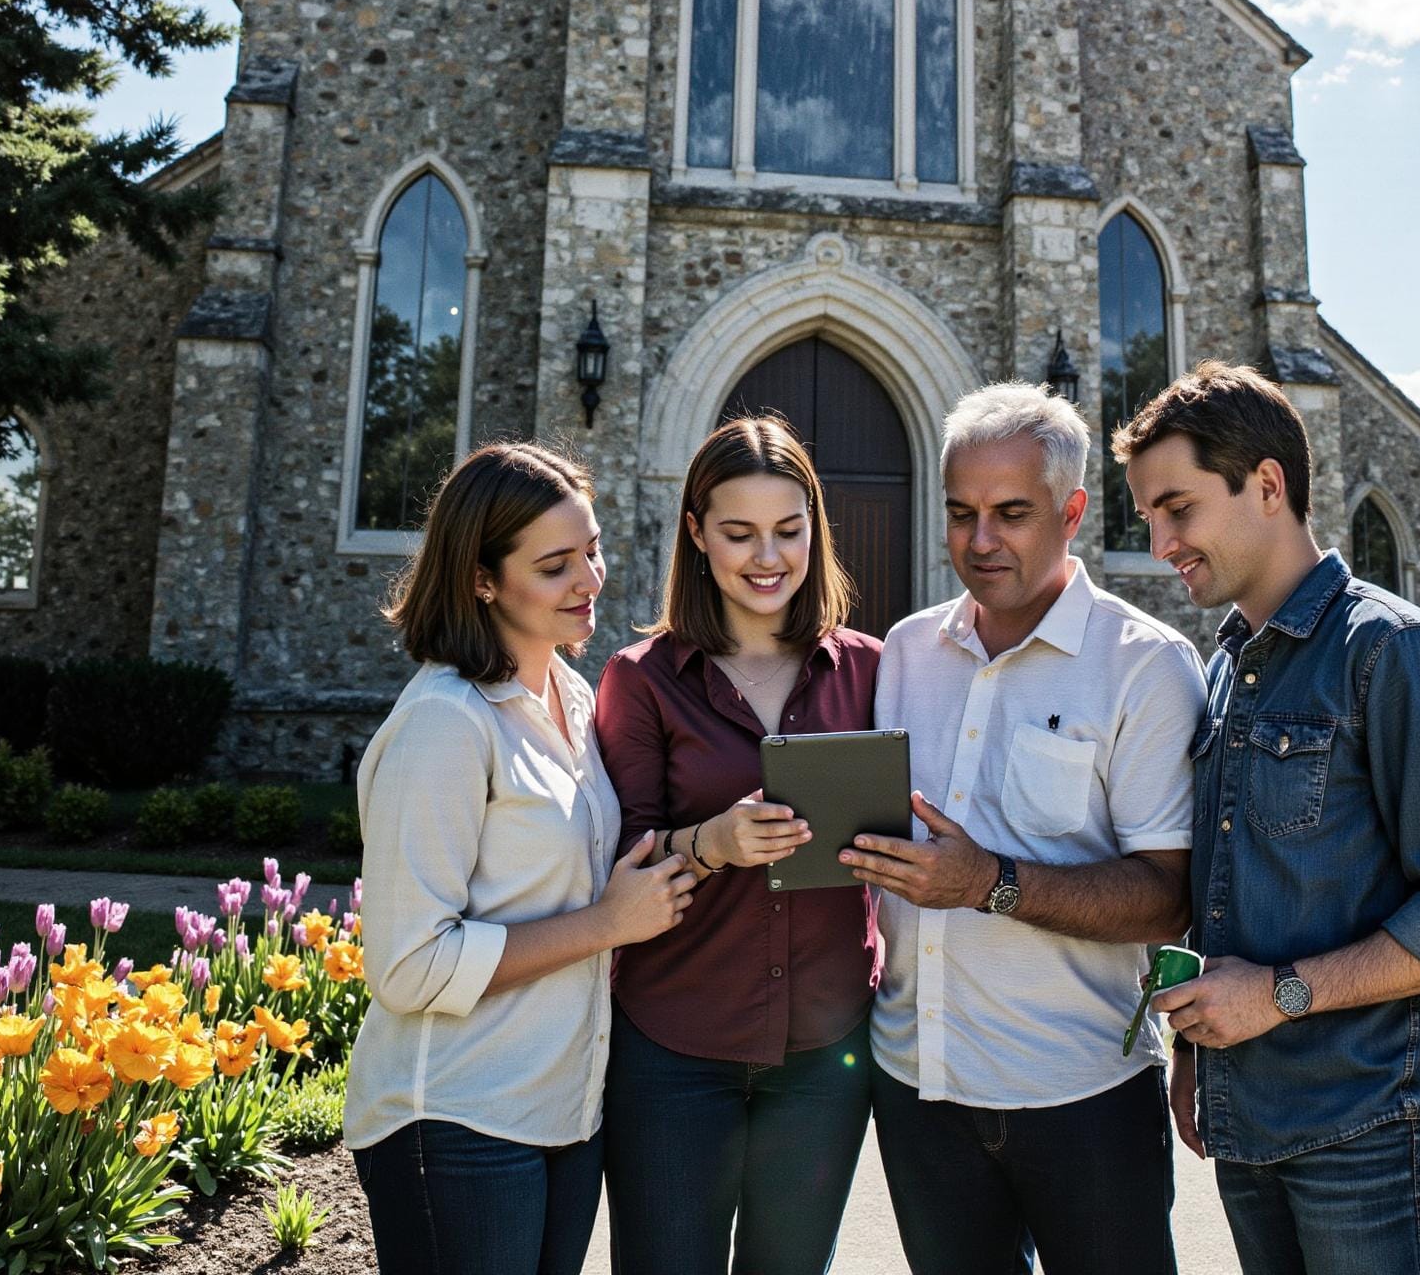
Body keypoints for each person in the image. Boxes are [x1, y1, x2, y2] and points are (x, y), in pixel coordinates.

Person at [1117, 363, 1420, 1275]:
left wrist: (1275, 995)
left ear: (1267, 485)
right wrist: (1198, 1053)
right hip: (1252, 1127)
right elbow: (1233, 886)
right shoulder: (1226, 668)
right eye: (1149, 516)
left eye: (1176, 509)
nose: (1159, 542)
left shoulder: (1396, 653)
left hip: (1376, 1133)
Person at [843, 382, 1207, 1275]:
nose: (980, 540)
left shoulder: (1146, 666)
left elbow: (1171, 899)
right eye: (961, 512)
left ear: (1073, 510)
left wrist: (990, 882)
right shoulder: (904, 653)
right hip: (915, 1085)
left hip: (1080, 1096)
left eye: (1011, 513)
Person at [343, 442, 696, 1275]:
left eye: (593, 549)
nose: (590, 579)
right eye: (555, 565)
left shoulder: (572, 696)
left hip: (562, 1114)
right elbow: (409, 964)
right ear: (481, 579)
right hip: (456, 1119)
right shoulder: (447, 722)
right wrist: (607, 926)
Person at [594, 415, 883, 1275]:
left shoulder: (874, 670)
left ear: (815, 530)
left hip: (825, 1059)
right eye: (739, 533)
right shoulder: (640, 678)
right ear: (695, 533)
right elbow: (622, 858)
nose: (768, 557)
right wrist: (711, 843)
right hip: (674, 1047)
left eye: (789, 531)